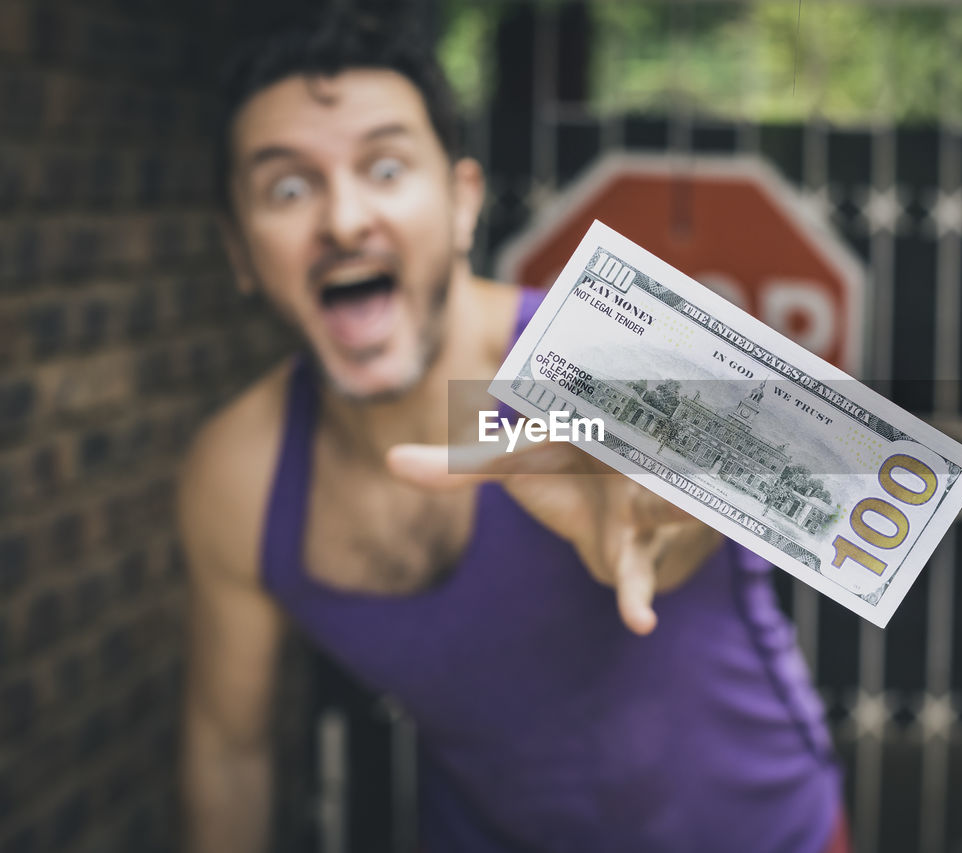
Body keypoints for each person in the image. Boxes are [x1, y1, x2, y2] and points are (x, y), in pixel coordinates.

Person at [179, 10, 848, 853]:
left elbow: (760, 505)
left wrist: (657, 520)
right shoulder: (239, 473)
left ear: (463, 203)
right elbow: (230, 749)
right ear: (239, 250)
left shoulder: (627, 357)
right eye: (286, 187)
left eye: (385, 168)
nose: (344, 219)